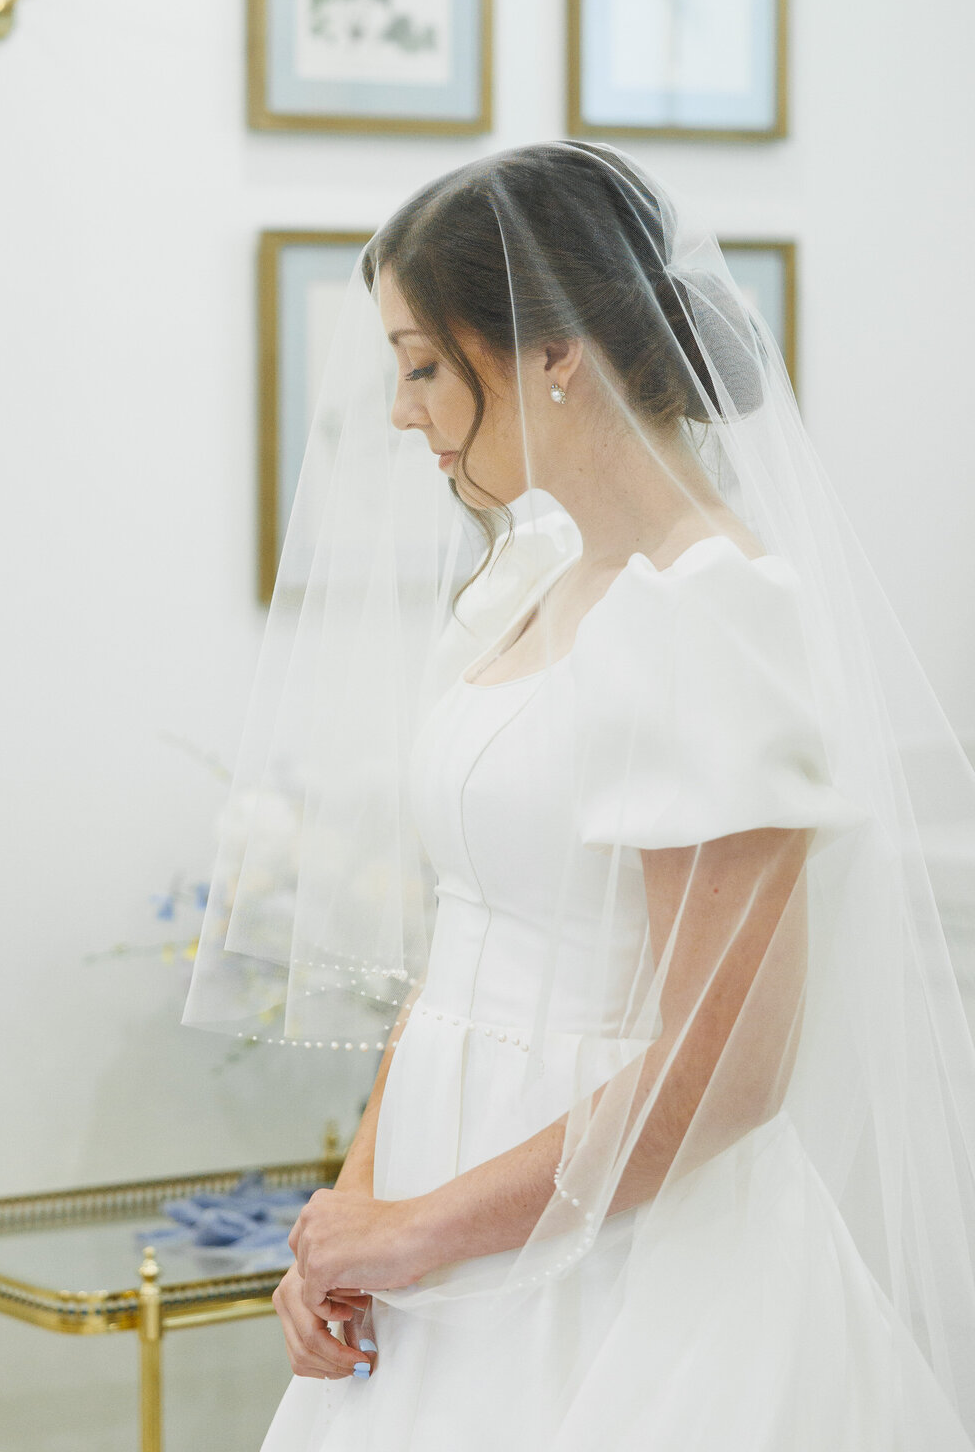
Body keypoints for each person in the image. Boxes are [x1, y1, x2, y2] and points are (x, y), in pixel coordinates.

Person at [186, 143, 975, 1450]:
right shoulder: (526, 580)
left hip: (630, 1266)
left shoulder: (716, 619)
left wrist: (418, 1232)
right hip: (439, 1235)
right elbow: (458, 946)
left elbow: (727, 1074)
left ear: (552, 352)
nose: (399, 410)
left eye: (425, 365)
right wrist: (351, 1215)